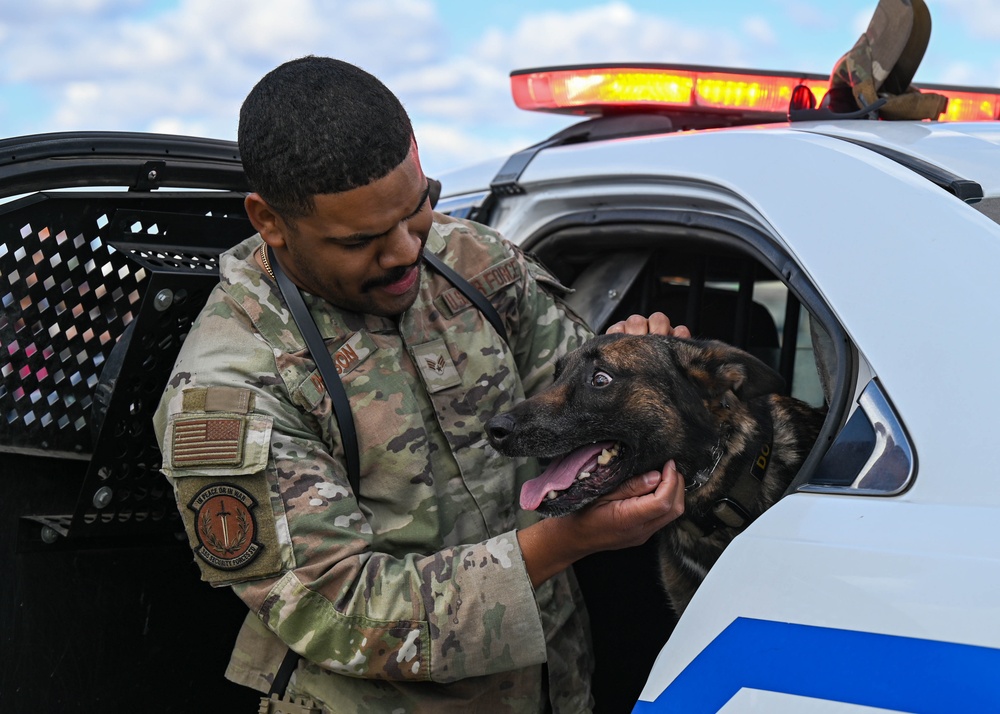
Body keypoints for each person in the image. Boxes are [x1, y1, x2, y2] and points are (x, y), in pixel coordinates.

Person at [153, 55, 688, 713]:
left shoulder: (474, 265)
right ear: (269, 222)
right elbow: (337, 611)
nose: (407, 251)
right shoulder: (232, 386)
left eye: (418, 209)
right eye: (363, 240)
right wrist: (565, 543)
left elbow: (568, 406)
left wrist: (636, 375)